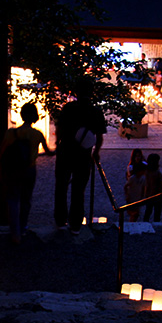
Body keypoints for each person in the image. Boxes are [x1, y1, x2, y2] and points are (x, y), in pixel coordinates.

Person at [54, 80, 107, 234]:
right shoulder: (95, 111)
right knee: (79, 190)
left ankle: (60, 220)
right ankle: (75, 224)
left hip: (65, 151)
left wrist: (58, 144)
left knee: (61, 186)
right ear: (91, 93)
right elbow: (99, 136)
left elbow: (60, 128)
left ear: (76, 92)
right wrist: (96, 152)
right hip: (83, 154)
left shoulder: (68, 108)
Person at [0, 103, 53, 244]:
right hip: (30, 169)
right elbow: (48, 152)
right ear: (35, 116)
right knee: (26, 200)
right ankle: (23, 227)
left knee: (13, 199)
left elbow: (2, 152)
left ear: (22, 115)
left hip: (13, 169)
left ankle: (15, 233)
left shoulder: (11, 133)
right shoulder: (38, 134)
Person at [143, 153, 162, 222]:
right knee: (157, 212)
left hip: (149, 194)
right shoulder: (157, 172)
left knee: (148, 211)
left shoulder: (146, 170)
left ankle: (145, 222)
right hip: (157, 195)